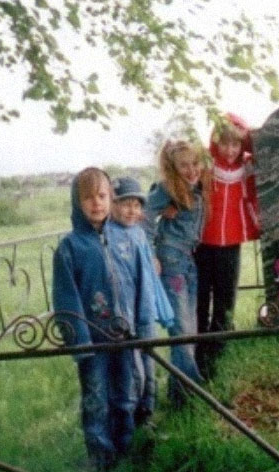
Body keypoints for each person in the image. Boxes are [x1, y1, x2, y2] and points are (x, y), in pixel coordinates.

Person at [52, 167, 160, 470]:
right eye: (88, 198)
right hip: (93, 341)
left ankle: (127, 446)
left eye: (102, 196)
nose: (96, 203)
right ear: (77, 202)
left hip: (126, 336)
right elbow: (66, 298)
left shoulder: (128, 239)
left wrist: (144, 327)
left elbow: (144, 286)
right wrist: (80, 343)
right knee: (96, 398)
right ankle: (101, 455)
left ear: (111, 198)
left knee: (127, 392)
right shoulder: (70, 248)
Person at [143, 139, 211, 407]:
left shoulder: (195, 187)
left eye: (195, 163)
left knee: (189, 327)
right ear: (173, 167)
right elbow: (144, 215)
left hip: (188, 260)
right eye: (184, 165)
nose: (192, 170)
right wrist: (150, 254)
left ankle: (179, 393)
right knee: (181, 330)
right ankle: (194, 391)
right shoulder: (166, 188)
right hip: (171, 260)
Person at [195, 113, 260, 377]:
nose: (231, 150)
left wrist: (247, 136)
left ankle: (219, 350)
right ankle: (198, 348)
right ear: (215, 142)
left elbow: (263, 149)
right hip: (201, 242)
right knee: (200, 297)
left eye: (236, 144)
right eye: (225, 143)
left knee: (225, 299)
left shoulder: (247, 166)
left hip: (231, 242)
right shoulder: (205, 165)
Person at [111, 176, 174, 428]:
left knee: (149, 361)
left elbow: (150, 274)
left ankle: (147, 414)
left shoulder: (138, 234)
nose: (131, 210)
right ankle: (128, 418)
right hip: (124, 313)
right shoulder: (107, 235)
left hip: (144, 309)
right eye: (125, 204)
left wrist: (162, 307)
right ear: (113, 205)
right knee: (130, 365)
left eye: (136, 205)